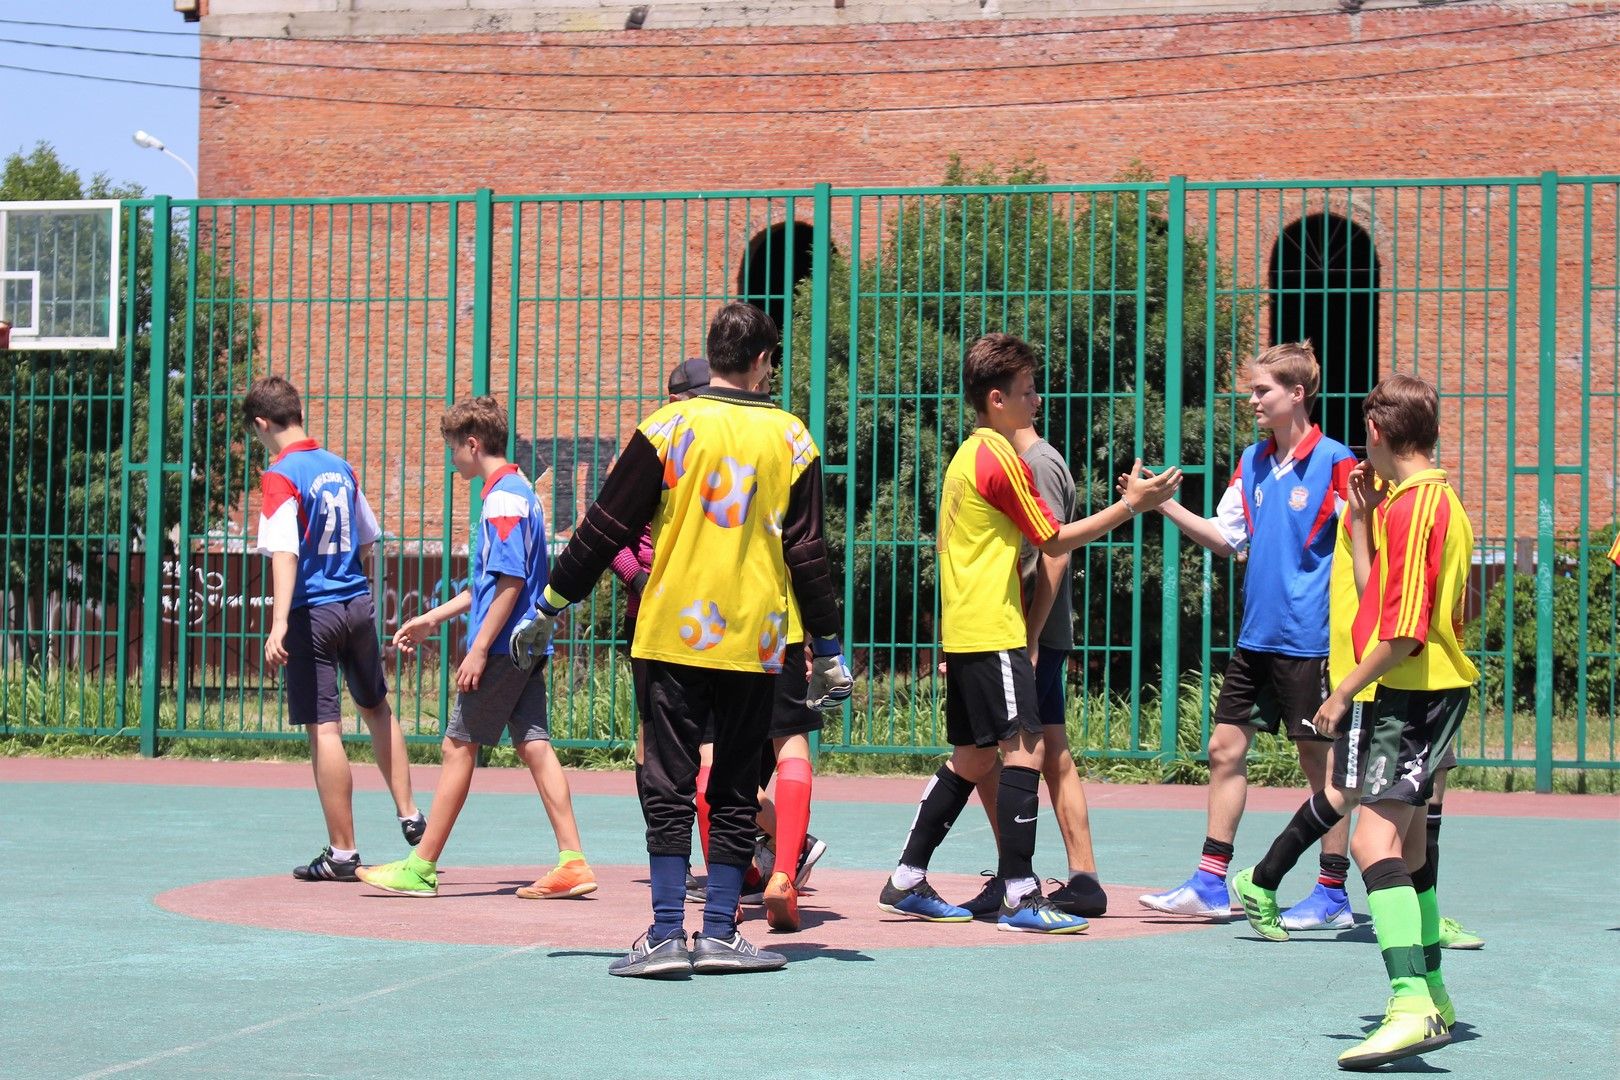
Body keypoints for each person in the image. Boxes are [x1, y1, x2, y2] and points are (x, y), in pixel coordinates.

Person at [513, 302, 851, 978]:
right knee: (735, 786)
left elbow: (604, 526)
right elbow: (807, 550)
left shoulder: (666, 427)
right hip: (755, 640)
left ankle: (666, 932)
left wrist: (551, 602)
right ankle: (720, 931)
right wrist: (830, 646)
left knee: (667, 781)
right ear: (763, 361)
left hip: (670, 635)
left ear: (712, 354)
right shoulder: (791, 438)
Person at [878, 333, 1180, 934]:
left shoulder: (966, 455)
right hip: (994, 629)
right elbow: (1054, 540)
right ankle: (1019, 895)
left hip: (966, 630)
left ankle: (907, 878)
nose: (1036, 401)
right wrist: (1132, 506)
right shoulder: (1001, 459)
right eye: (1027, 391)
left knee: (972, 757)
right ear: (996, 399)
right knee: (1026, 750)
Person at [1231, 374, 1477, 1070]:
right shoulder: (1426, 501)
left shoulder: (1417, 508)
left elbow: (1402, 634)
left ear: (1375, 432)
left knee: (1371, 843)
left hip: (1408, 694)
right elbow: (1381, 602)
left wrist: (1342, 693)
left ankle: (1409, 1004)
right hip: (1423, 690)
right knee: (1412, 852)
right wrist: (1362, 526)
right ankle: (1433, 992)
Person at [1138, 343, 1357, 930]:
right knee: (1224, 749)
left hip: (1311, 642)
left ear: (1297, 394)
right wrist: (1162, 506)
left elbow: (1364, 545)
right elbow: (1226, 536)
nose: (1252, 400)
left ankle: (1332, 892)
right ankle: (1211, 883)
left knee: (1322, 767)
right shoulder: (1253, 461)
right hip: (1255, 639)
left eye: (1263, 390)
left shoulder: (1336, 462)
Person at [356, 397, 594, 901]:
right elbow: (489, 583)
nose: (452, 461)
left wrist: (480, 648)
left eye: (453, 449)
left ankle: (421, 866)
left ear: (472, 443)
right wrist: (431, 618)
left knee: (457, 745)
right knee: (534, 745)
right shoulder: (519, 493)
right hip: (523, 643)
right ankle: (573, 861)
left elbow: (510, 582)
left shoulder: (503, 499)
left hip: (504, 647)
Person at [243, 376, 424, 882]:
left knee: (325, 727)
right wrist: (348, 577)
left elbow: (285, 551)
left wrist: (279, 622)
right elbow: (368, 537)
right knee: (377, 708)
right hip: (357, 604)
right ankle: (410, 812)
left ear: (262, 424)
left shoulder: (280, 475)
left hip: (313, 613)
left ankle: (343, 853)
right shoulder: (340, 467)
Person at [961, 417, 1108, 920]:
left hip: (1028, 632)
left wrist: (1030, 638)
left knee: (994, 750)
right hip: (1034, 631)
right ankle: (1082, 879)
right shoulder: (1030, 459)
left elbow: (1054, 552)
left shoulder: (1036, 464)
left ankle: (1015, 878)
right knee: (1049, 751)